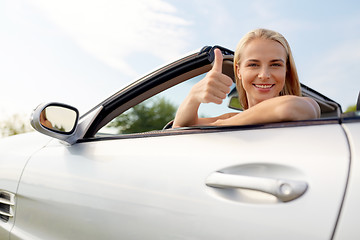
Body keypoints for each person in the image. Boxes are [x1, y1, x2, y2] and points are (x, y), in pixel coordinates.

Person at [172, 28, 320, 128]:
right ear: (238, 70)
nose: (264, 75)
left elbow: (289, 108)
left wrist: (221, 126)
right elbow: (180, 128)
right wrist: (193, 97)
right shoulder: (231, 117)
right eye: (253, 65)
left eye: (275, 65)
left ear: (286, 70)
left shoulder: (305, 104)